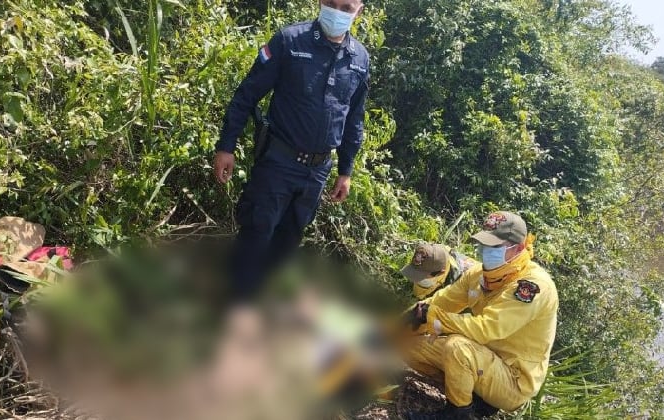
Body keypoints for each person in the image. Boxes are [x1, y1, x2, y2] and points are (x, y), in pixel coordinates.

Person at [213, 0, 370, 301]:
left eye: (347, 7)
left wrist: (346, 170)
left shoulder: (360, 58)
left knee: (288, 242)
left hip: (317, 173)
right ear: (322, 3)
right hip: (278, 162)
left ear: (358, 11)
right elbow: (247, 94)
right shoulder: (289, 41)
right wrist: (226, 146)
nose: (338, 11)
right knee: (256, 236)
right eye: (332, 4)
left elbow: (355, 119)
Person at [401, 211, 559, 420]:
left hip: (512, 380)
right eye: (484, 244)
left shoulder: (533, 287)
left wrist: (433, 316)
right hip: (482, 360)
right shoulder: (478, 275)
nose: (485, 251)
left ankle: (459, 414)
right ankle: (469, 393)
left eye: (494, 247)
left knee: (457, 347)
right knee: (407, 346)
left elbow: (485, 329)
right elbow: (438, 302)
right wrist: (391, 328)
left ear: (518, 248)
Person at [401, 242, 477, 299]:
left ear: (440, 273)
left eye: (422, 276)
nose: (416, 277)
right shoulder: (436, 252)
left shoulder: (456, 287)